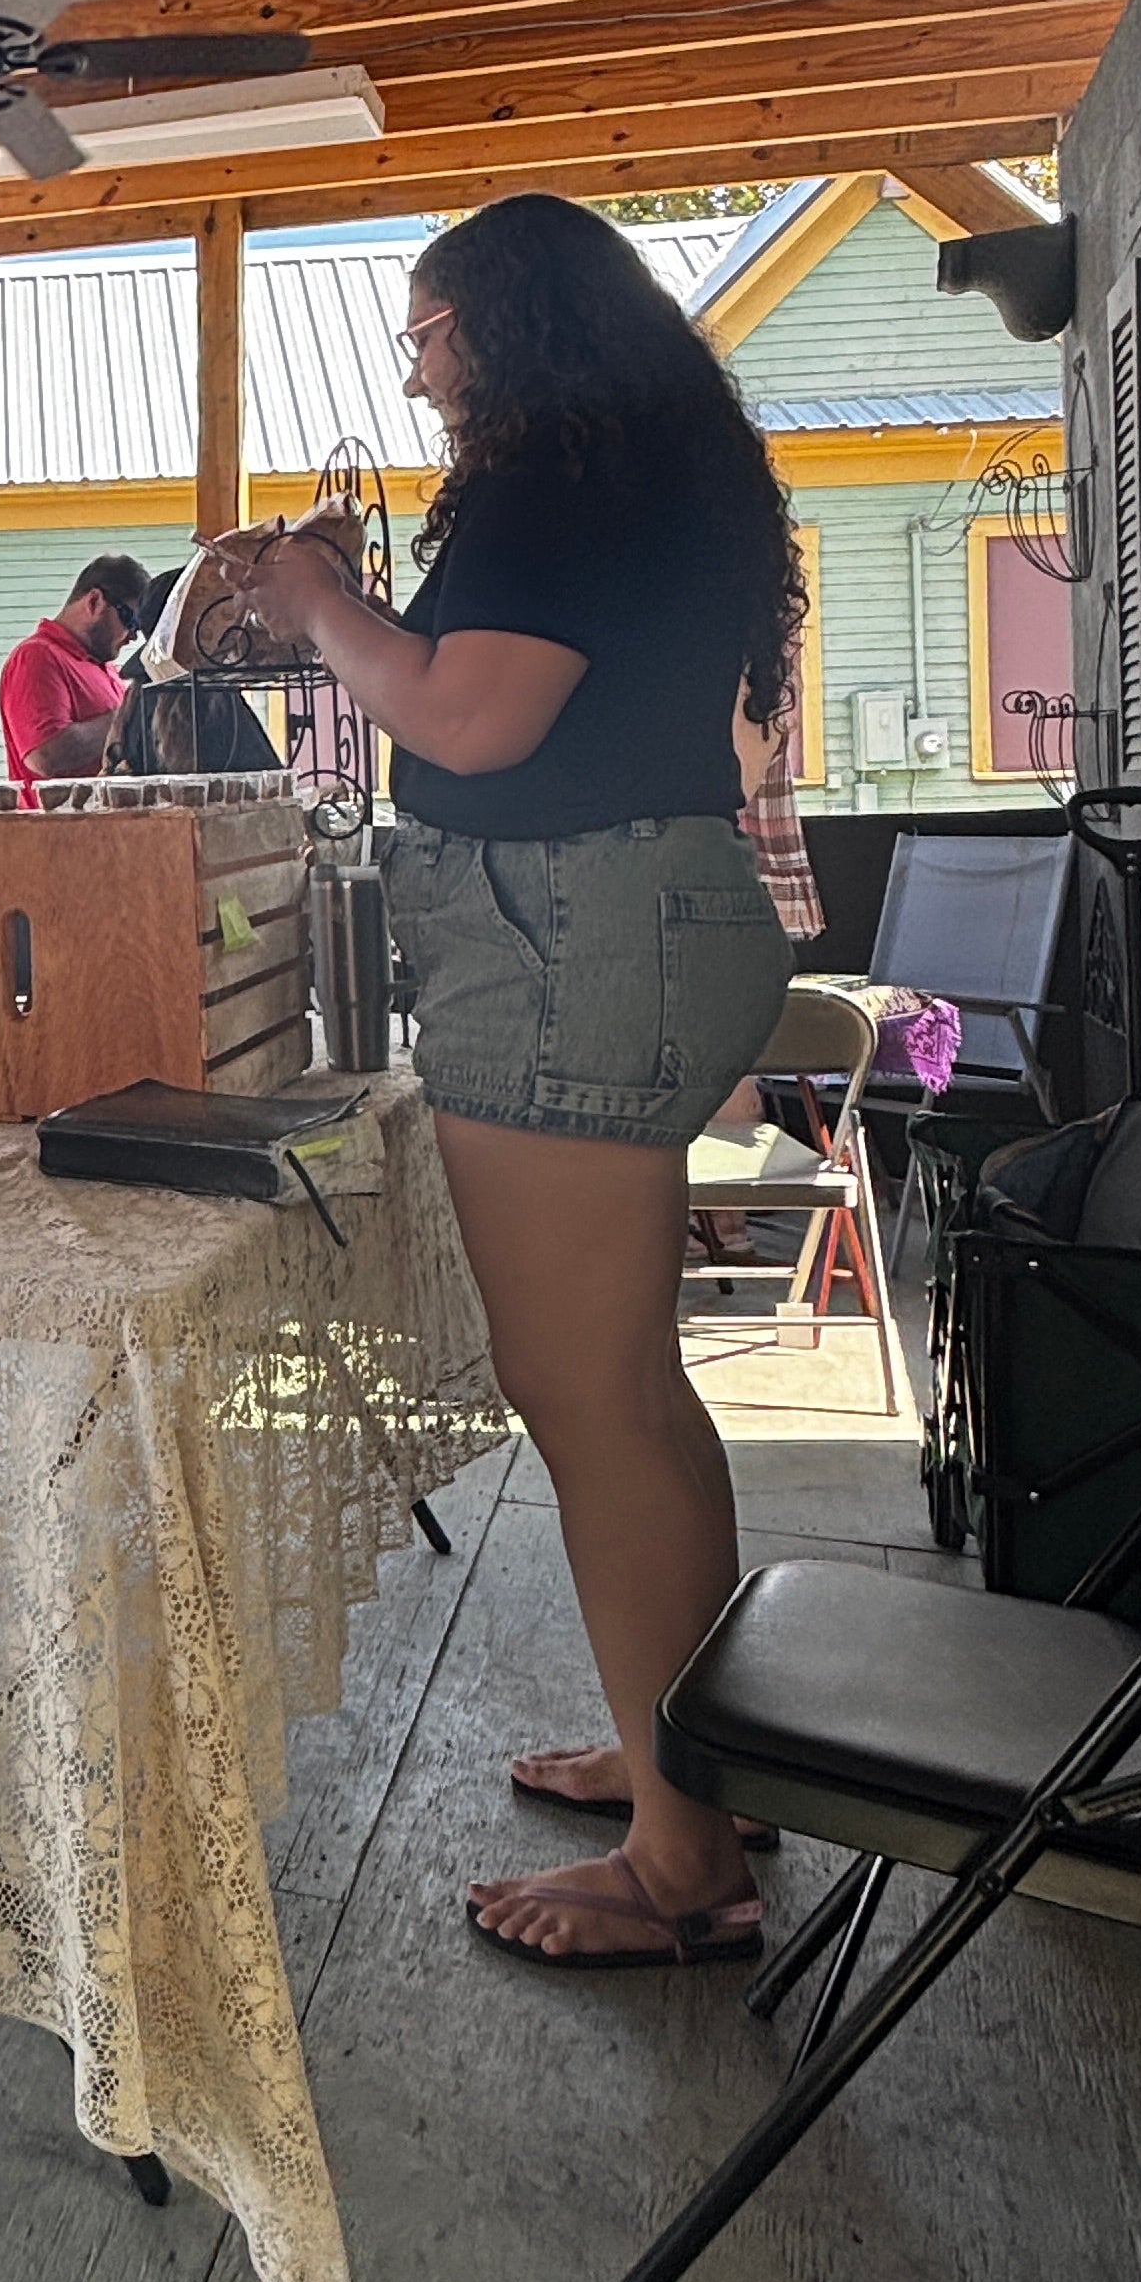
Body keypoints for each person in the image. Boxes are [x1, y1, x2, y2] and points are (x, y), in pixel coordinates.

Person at [239, 192, 798, 1975]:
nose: (413, 378)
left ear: (499, 321)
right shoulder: (639, 459)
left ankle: (677, 1855)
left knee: (587, 1403)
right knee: (633, 1393)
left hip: (568, 928)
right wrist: (364, 608)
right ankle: (687, 1761)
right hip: (619, 914)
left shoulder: (560, 474)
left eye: (424, 338)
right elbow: (493, 683)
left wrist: (317, 595)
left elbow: (468, 721)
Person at [0, 558, 152, 796]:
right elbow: (46, 756)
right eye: (130, 620)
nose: (133, 636)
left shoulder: (106, 668)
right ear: (95, 601)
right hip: (60, 830)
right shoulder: (36, 656)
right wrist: (130, 717)